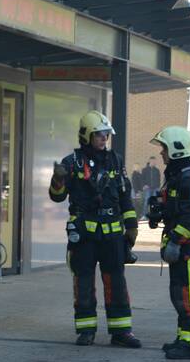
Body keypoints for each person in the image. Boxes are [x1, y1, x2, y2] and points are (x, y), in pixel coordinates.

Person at [49, 110, 141, 348]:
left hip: (112, 234)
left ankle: (121, 332)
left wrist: (131, 226)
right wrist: (57, 181)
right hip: (84, 235)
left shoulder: (116, 160)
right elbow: (57, 197)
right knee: (84, 282)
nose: (104, 139)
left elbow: (124, 196)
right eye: (99, 135)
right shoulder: (72, 163)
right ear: (86, 135)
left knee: (116, 282)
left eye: (106, 135)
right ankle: (86, 330)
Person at [150, 126, 190, 360]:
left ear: (175, 149)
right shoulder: (177, 175)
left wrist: (175, 240)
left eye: (164, 148)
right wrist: (159, 212)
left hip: (189, 247)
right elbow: (176, 208)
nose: (161, 152)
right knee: (178, 294)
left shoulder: (189, 177)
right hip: (181, 246)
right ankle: (183, 336)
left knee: (189, 295)